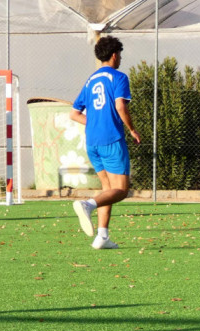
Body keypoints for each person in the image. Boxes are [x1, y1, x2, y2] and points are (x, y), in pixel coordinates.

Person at [70, 36, 141, 249]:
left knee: (107, 188)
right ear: (114, 55)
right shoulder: (118, 77)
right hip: (112, 139)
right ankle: (87, 204)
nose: (120, 58)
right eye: (120, 54)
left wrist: (94, 124)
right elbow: (120, 107)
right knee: (121, 190)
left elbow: (74, 114)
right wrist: (132, 129)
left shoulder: (90, 80)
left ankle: (102, 236)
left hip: (92, 141)